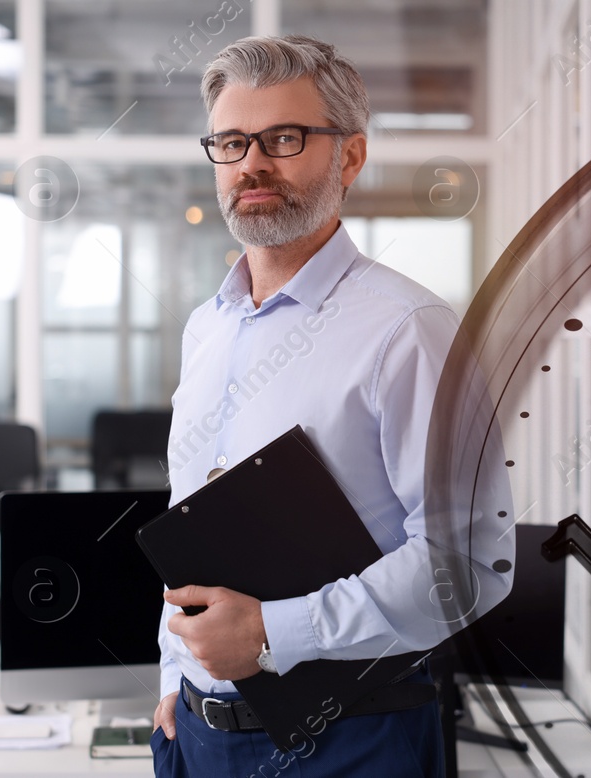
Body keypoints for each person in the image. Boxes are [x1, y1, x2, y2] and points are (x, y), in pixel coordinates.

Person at [149, 34, 510, 777]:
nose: (251, 163)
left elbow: (470, 562)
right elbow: (190, 529)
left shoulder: (407, 329)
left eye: (284, 138)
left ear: (349, 157)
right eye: (230, 141)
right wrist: (172, 680)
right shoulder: (205, 328)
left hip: (348, 742)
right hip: (195, 735)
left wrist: (275, 632)